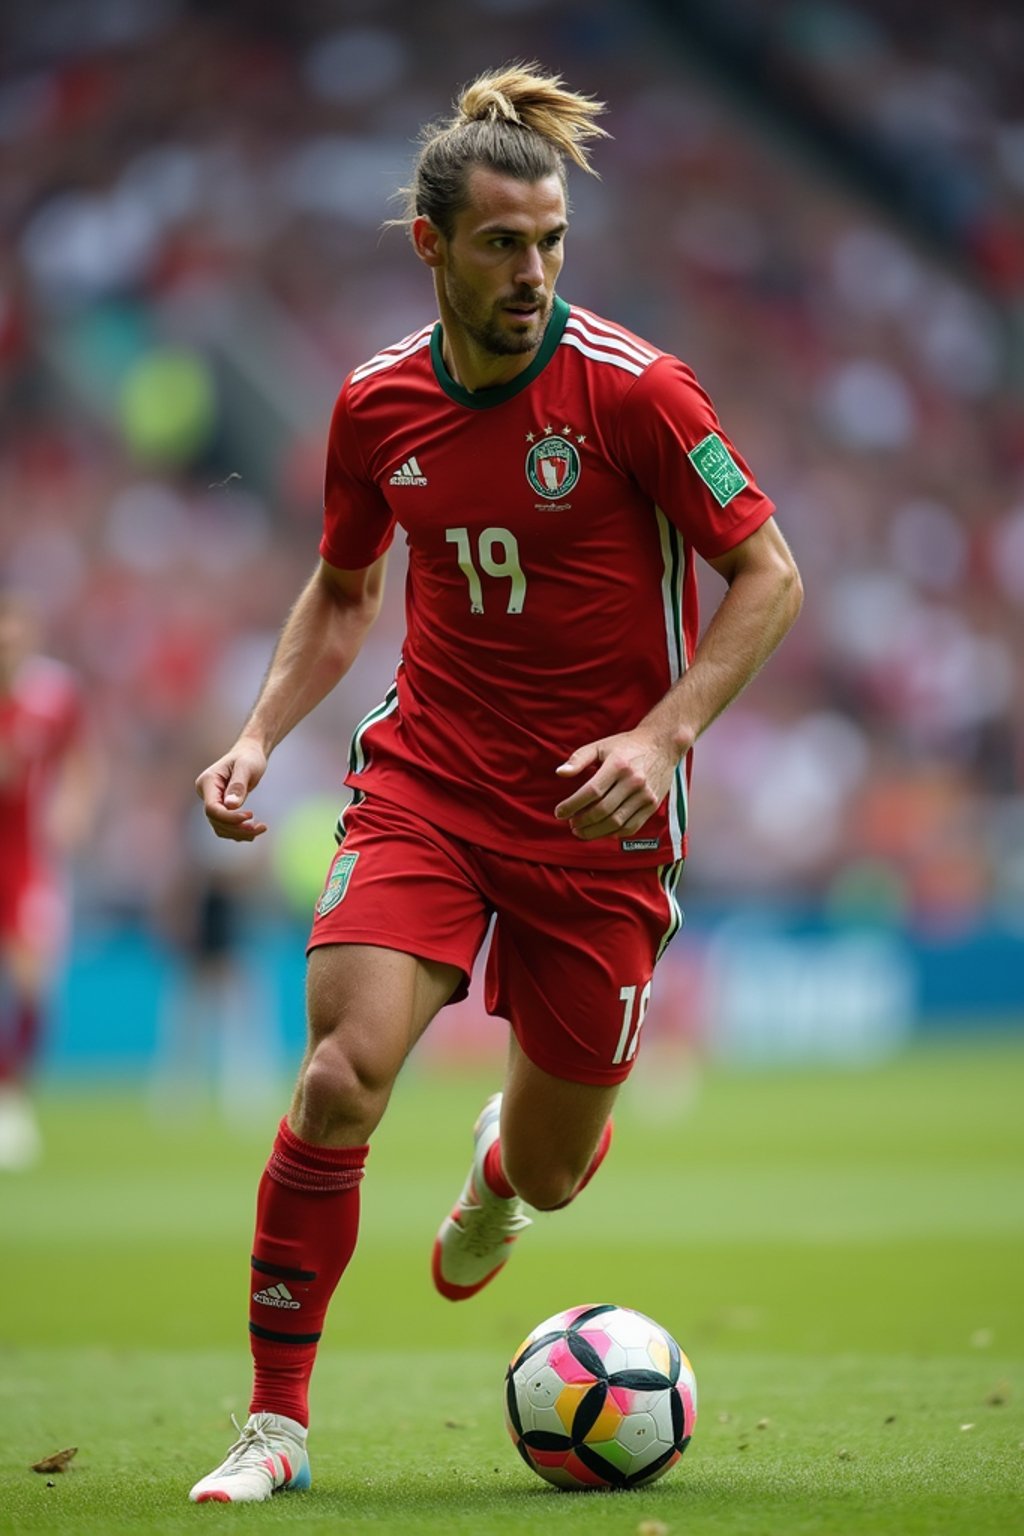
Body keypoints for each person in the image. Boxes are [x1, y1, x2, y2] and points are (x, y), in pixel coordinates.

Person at [189, 63, 803, 1503]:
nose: (532, 273)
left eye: (551, 244)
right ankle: (275, 1424)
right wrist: (261, 731)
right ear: (431, 244)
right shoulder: (373, 403)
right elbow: (344, 592)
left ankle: (497, 1187)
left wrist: (662, 737)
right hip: (433, 784)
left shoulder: (638, 391)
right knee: (340, 1076)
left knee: (550, 1165)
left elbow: (769, 576)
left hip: (603, 825)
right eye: (501, 244)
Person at [0, 591, 98, 1169]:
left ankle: (11, 1095)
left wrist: (76, 803)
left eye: (16, 640)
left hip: (26, 858)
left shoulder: (53, 695)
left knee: (35, 979)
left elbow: (83, 757)